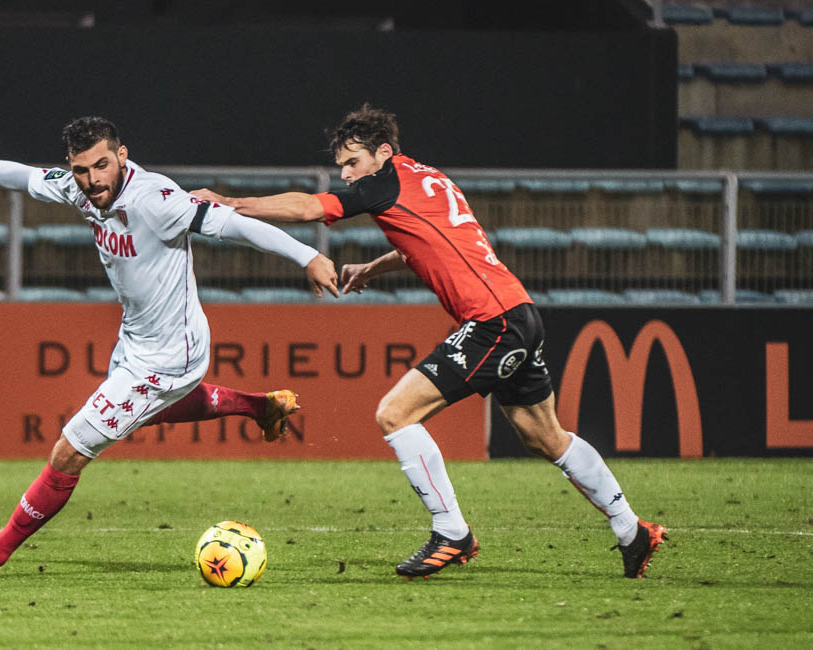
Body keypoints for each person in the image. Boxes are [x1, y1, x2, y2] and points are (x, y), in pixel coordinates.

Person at [192, 104, 665, 580]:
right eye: (341, 165)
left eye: (352, 162)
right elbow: (422, 243)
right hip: (519, 312)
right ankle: (632, 531)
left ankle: (451, 532)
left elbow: (309, 207)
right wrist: (372, 268)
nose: (347, 174)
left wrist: (229, 204)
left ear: (383, 152)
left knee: (395, 414)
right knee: (545, 436)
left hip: (492, 322)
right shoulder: (428, 178)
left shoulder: (384, 182)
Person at [0, 116, 339, 579]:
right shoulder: (80, 189)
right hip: (136, 338)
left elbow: (235, 225)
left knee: (70, 450)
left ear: (122, 156)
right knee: (146, 414)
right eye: (82, 169)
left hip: (171, 353)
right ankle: (262, 407)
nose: (93, 179)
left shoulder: (156, 200)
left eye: (102, 165)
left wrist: (308, 256)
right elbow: (25, 177)